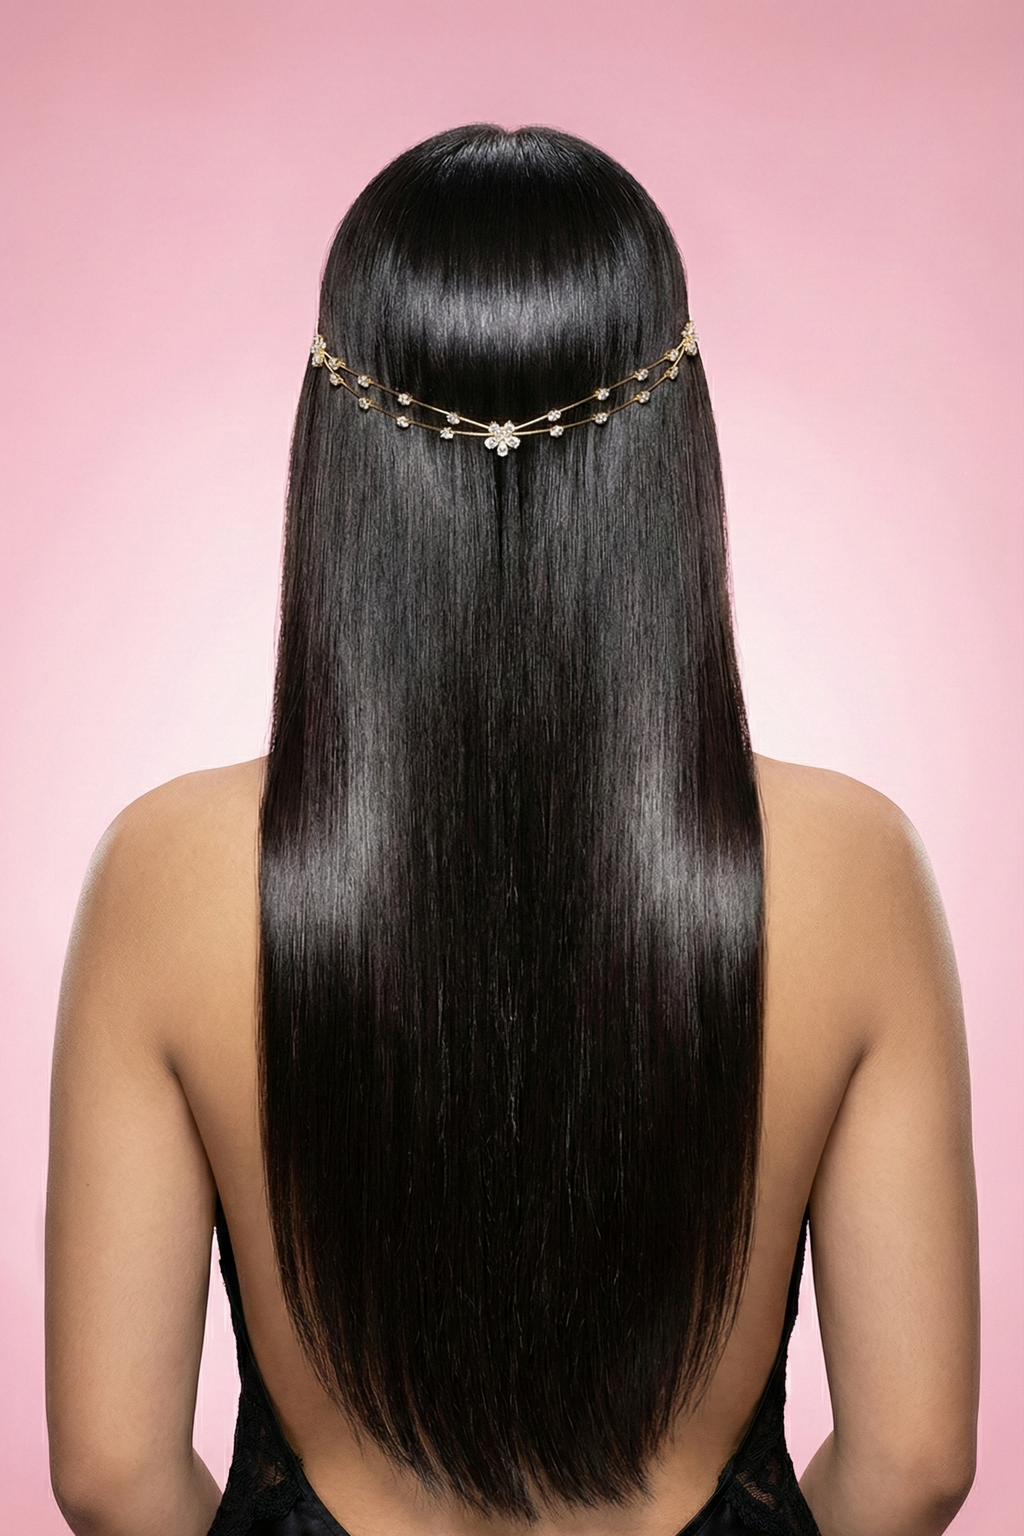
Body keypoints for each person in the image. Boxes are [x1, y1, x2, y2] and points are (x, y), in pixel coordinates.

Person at [45, 125, 978, 1536]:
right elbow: (913, 1463)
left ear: (338, 447)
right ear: (670, 443)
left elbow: (114, 1475)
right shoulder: (851, 868)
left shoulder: (168, 875)